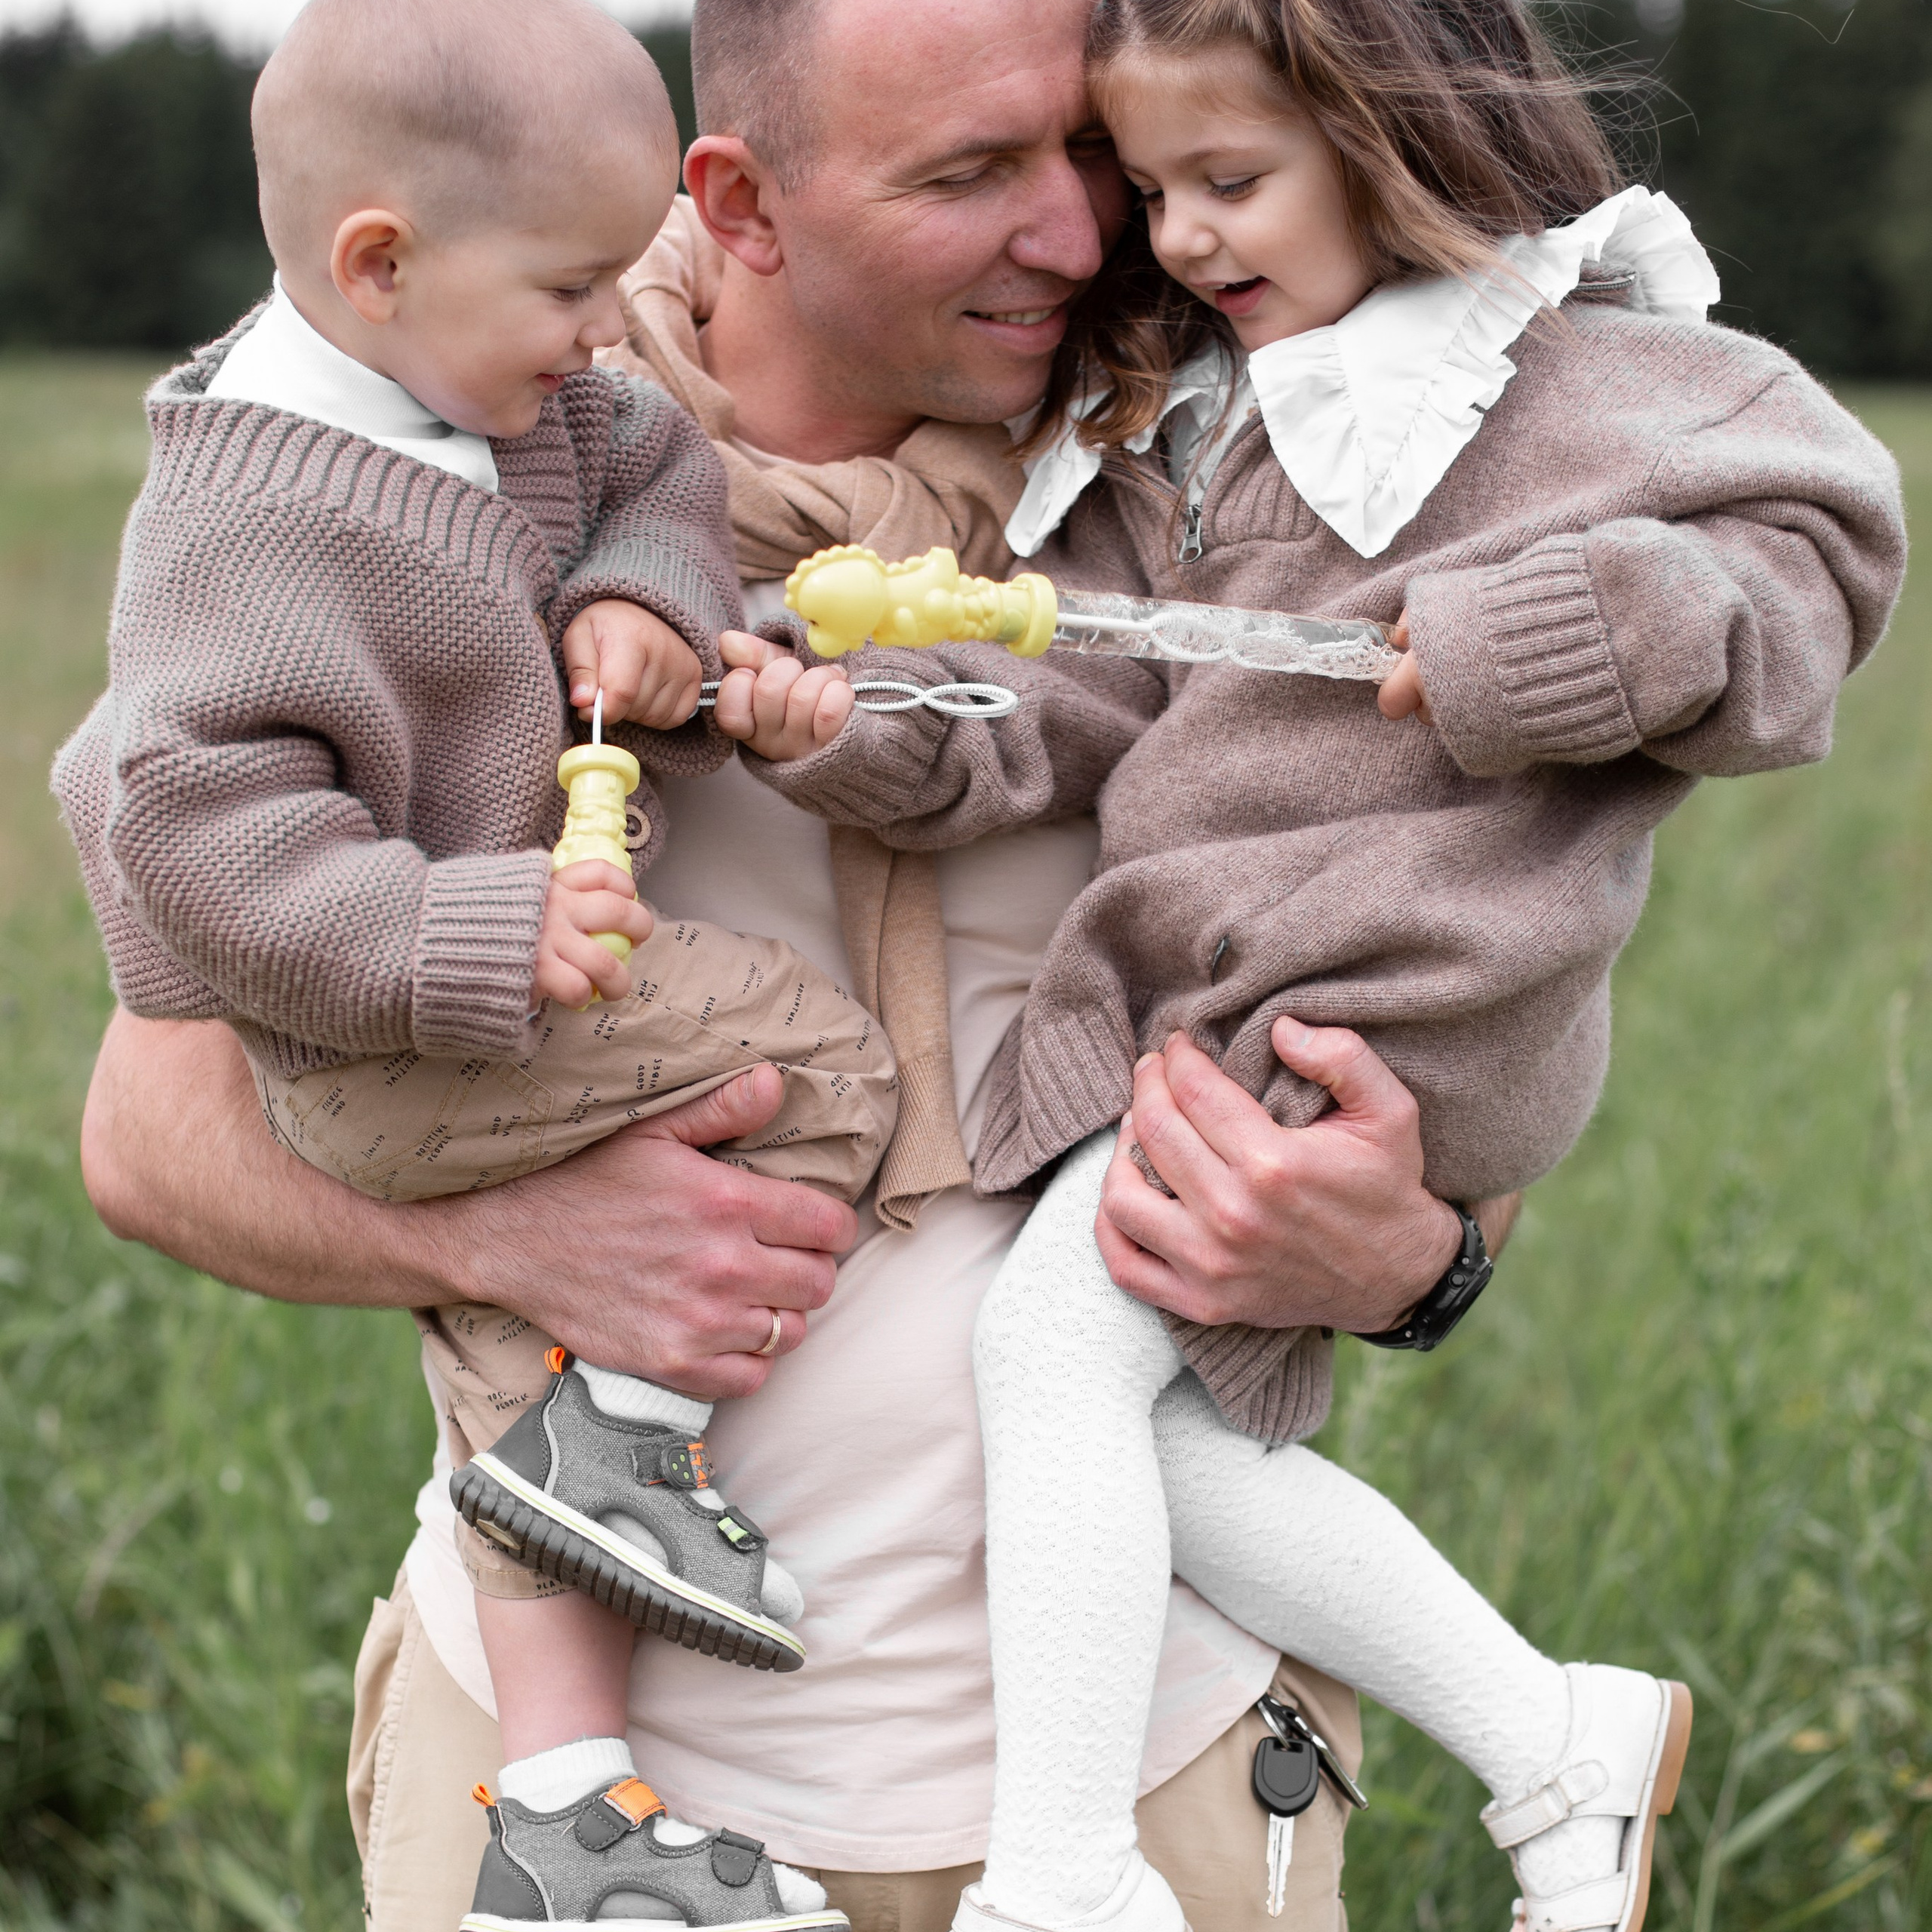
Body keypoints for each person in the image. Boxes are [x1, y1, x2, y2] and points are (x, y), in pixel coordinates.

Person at [73, 0, 1517, 1926]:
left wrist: (1410, 1260)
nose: (1084, 236)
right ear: (738, 201)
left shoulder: (1253, 498)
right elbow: (148, 1129)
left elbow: (1467, 1063)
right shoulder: (446, 458)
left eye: (1081, 151)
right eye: (966, 175)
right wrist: (494, 1243)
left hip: (1148, 1773)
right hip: (585, 1784)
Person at [729, 1, 1909, 1929]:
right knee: (1153, 1434)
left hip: (1396, 982)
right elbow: (1068, 703)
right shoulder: (1195, 422)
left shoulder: (1584, 375)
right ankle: (1553, 1740)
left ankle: (1055, 1881)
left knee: (1034, 1349)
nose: (1180, 239)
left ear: (1399, 143)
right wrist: (844, 735)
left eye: (1230, 181)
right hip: (1231, 983)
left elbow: (1821, 559)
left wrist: (1542, 644)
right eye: (1158, 189)